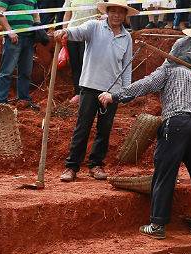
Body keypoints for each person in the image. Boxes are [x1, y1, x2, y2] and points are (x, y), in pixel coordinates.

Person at [98, 66, 191, 239]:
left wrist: (114, 96)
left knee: (165, 174)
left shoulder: (169, 70)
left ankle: (157, 225)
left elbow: (146, 84)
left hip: (176, 123)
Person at [54, 0, 136, 182]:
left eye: (120, 12)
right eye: (113, 11)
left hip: (112, 91)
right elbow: (77, 32)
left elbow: (126, 66)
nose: (116, 15)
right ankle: (71, 167)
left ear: (124, 16)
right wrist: (65, 31)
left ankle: (96, 164)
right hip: (90, 85)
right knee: (83, 127)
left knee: (104, 129)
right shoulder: (94, 27)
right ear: (107, 12)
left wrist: (125, 91)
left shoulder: (126, 37)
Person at [0, 0, 41, 109]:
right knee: (7, 71)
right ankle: (1, 103)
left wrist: (38, 28)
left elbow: (36, 14)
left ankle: (24, 99)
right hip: (14, 38)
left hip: (29, 38)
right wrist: (9, 31)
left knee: (26, 71)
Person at [62, 0, 99, 105]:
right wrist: (64, 32)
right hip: (72, 34)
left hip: (89, 36)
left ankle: (87, 94)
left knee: (86, 65)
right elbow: (67, 15)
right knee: (75, 65)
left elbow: (102, 14)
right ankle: (78, 93)